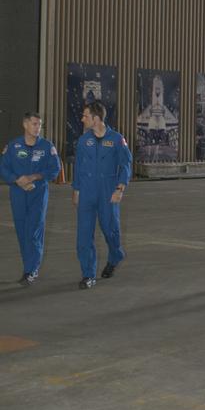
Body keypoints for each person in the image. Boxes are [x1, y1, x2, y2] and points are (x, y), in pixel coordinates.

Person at [72, 101, 133, 289]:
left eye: (85, 116)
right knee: (84, 236)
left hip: (108, 192)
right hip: (87, 192)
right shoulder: (84, 141)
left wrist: (120, 188)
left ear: (96, 118)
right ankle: (88, 274)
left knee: (110, 231)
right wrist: (76, 190)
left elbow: (125, 164)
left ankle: (115, 255)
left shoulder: (116, 139)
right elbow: (78, 168)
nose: (82, 119)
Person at [1, 112, 61, 285]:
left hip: (38, 192)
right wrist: (16, 180)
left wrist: (34, 177)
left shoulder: (47, 147)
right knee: (22, 230)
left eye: (39, 124)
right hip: (18, 193)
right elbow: (3, 168)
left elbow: (54, 169)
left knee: (34, 230)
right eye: (34, 124)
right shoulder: (13, 146)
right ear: (25, 124)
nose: (38, 128)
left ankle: (31, 270)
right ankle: (28, 266)